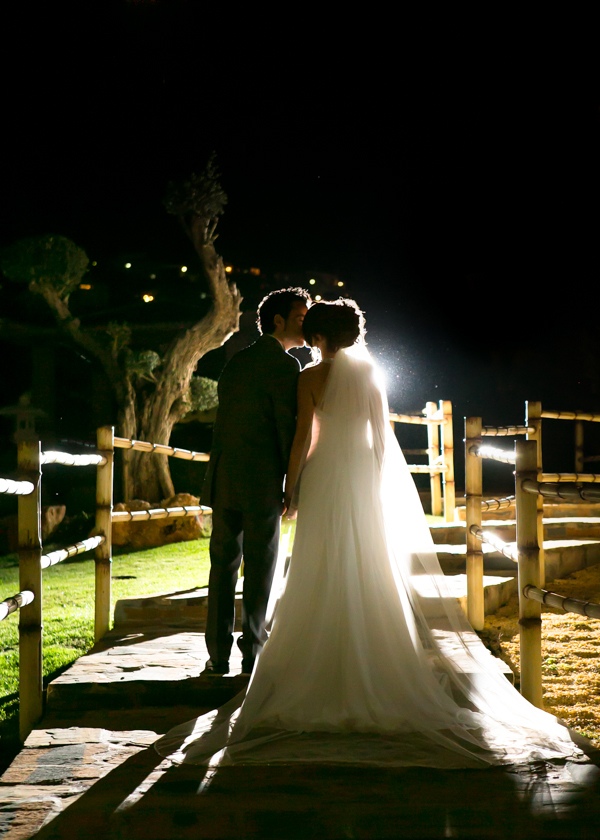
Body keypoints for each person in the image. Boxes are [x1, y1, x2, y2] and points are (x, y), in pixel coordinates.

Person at [157, 299, 586, 769]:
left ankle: (264, 656)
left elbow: (302, 435)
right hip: (361, 475)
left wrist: (294, 483)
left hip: (312, 476)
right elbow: (382, 440)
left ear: (319, 337)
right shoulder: (371, 374)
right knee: (365, 562)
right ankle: (364, 657)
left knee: (307, 563)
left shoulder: (301, 376)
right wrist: (375, 481)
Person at [200, 286, 311, 677]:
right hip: (262, 481)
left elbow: (224, 424)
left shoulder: (237, 361)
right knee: (260, 569)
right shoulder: (284, 366)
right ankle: (253, 654)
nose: (306, 323)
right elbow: (286, 429)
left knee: (222, 568)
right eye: (300, 318)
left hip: (225, 477)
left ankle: (217, 657)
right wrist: (291, 485)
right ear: (279, 321)